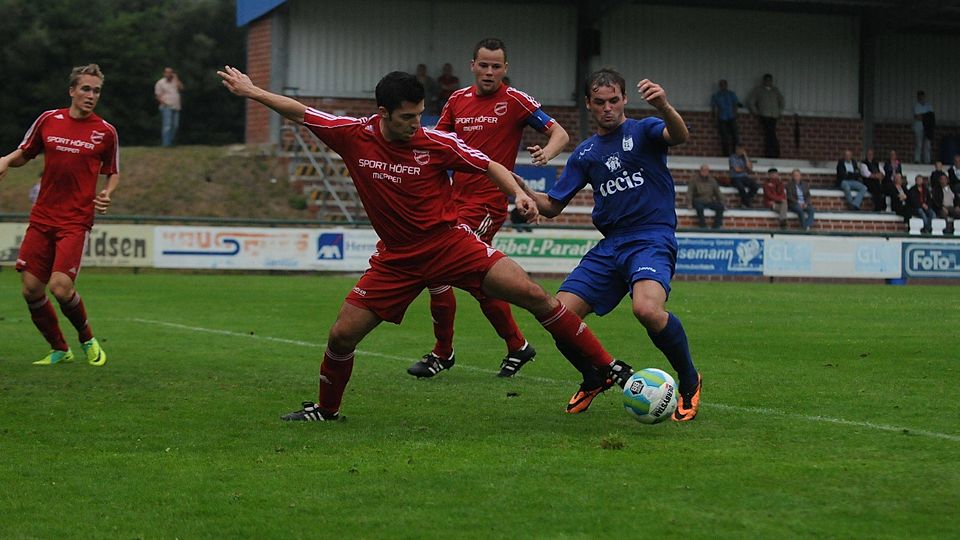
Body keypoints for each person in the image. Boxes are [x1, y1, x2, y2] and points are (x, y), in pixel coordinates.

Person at [217, 66, 634, 421]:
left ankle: (604, 366)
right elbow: (301, 112)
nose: (416, 124)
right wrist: (253, 91)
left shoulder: (435, 142)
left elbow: (488, 164)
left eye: (420, 115)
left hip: (450, 244)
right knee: (341, 337)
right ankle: (325, 411)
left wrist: (519, 195)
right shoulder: (352, 135)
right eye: (407, 118)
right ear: (382, 114)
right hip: (397, 260)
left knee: (533, 294)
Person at [518, 68, 702, 421]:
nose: (608, 108)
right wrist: (521, 190)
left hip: (650, 237)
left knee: (647, 310)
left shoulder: (644, 129)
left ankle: (690, 381)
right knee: (558, 316)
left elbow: (679, 135)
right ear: (589, 104)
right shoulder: (585, 154)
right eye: (599, 102)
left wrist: (664, 105)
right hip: (611, 245)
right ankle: (594, 376)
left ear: (624, 100)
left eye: (614, 100)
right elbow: (554, 206)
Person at [407, 38, 570, 379]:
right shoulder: (457, 99)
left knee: (446, 271)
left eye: (496, 66)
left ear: (505, 69)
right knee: (479, 281)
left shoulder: (514, 100)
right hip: (451, 202)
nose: (489, 72)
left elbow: (559, 132)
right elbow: (436, 144)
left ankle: (444, 353)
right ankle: (516, 346)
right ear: (473, 65)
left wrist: (548, 154)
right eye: (484, 65)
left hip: (486, 205)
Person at [0, 63, 118, 366]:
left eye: (96, 91)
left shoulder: (105, 132)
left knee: (61, 287)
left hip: (75, 220)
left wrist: (107, 193)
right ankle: (59, 349)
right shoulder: (49, 120)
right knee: (30, 290)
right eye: (86, 89)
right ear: (72, 91)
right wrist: (5, 160)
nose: (91, 95)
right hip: (42, 217)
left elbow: (112, 172)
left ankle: (87, 339)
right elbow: (25, 152)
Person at [746, 73, 784, 158]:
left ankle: (773, 152)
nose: (768, 82)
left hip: (774, 115)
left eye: (770, 80)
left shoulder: (775, 90)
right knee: (769, 134)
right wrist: (756, 112)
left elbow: (782, 101)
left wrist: (779, 112)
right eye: (767, 80)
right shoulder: (758, 90)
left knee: (772, 134)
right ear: (764, 80)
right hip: (764, 115)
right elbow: (750, 102)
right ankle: (771, 153)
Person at [688, 164, 724, 228]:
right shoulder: (694, 180)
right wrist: (689, 203)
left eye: (707, 170)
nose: (705, 172)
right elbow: (690, 192)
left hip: (709, 200)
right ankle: (703, 226)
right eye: (703, 170)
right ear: (700, 171)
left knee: (720, 207)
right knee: (699, 208)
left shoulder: (712, 181)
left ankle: (716, 226)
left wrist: (722, 202)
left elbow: (718, 192)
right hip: (698, 200)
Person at [710, 79, 740, 157]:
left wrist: (735, 115)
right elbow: (715, 108)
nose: (723, 86)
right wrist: (715, 118)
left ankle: (734, 154)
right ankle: (725, 154)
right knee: (724, 137)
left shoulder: (731, 94)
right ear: (720, 86)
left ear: (726, 85)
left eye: (724, 84)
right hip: (722, 118)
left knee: (735, 136)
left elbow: (735, 105)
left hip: (731, 117)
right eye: (721, 85)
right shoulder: (716, 95)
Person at [155, 67, 183, 147]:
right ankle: (166, 144)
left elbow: (181, 88)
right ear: (164, 73)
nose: (169, 74)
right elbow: (157, 95)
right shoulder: (160, 83)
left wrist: (176, 78)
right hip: (166, 106)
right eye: (167, 72)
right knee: (167, 126)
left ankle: (170, 142)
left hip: (176, 106)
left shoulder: (175, 81)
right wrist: (163, 103)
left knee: (175, 126)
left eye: (170, 72)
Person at [913, 90, 934, 164]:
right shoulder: (916, 106)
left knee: (927, 145)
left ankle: (927, 161)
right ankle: (917, 160)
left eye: (922, 96)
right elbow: (917, 116)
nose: (920, 97)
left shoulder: (929, 105)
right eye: (919, 96)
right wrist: (926, 116)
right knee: (918, 144)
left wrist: (923, 116)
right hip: (919, 127)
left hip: (928, 127)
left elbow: (931, 116)